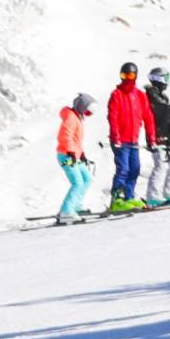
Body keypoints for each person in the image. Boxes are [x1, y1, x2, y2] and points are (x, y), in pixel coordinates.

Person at [104, 63, 151, 210]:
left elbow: (148, 116)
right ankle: (116, 199)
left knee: (135, 168)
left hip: (133, 140)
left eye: (130, 76)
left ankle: (129, 196)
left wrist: (151, 138)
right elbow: (113, 116)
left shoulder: (139, 95)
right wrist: (115, 136)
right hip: (120, 141)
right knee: (123, 169)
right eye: (124, 76)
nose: (127, 79)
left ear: (135, 76)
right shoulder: (116, 94)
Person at [142, 67, 170, 201]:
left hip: (167, 136)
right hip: (157, 136)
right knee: (160, 165)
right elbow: (154, 117)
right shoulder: (151, 96)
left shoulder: (162, 96)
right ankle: (152, 196)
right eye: (166, 79)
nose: (167, 82)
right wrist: (154, 137)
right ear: (158, 79)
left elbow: (168, 116)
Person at [53, 96, 95, 225]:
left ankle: (75, 205)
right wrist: (70, 151)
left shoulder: (77, 118)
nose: (88, 115)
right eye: (87, 111)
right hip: (66, 156)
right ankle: (66, 212)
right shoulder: (71, 117)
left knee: (87, 179)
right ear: (81, 108)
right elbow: (65, 135)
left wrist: (81, 154)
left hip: (74, 156)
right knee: (77, 183)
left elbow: (76, 140)